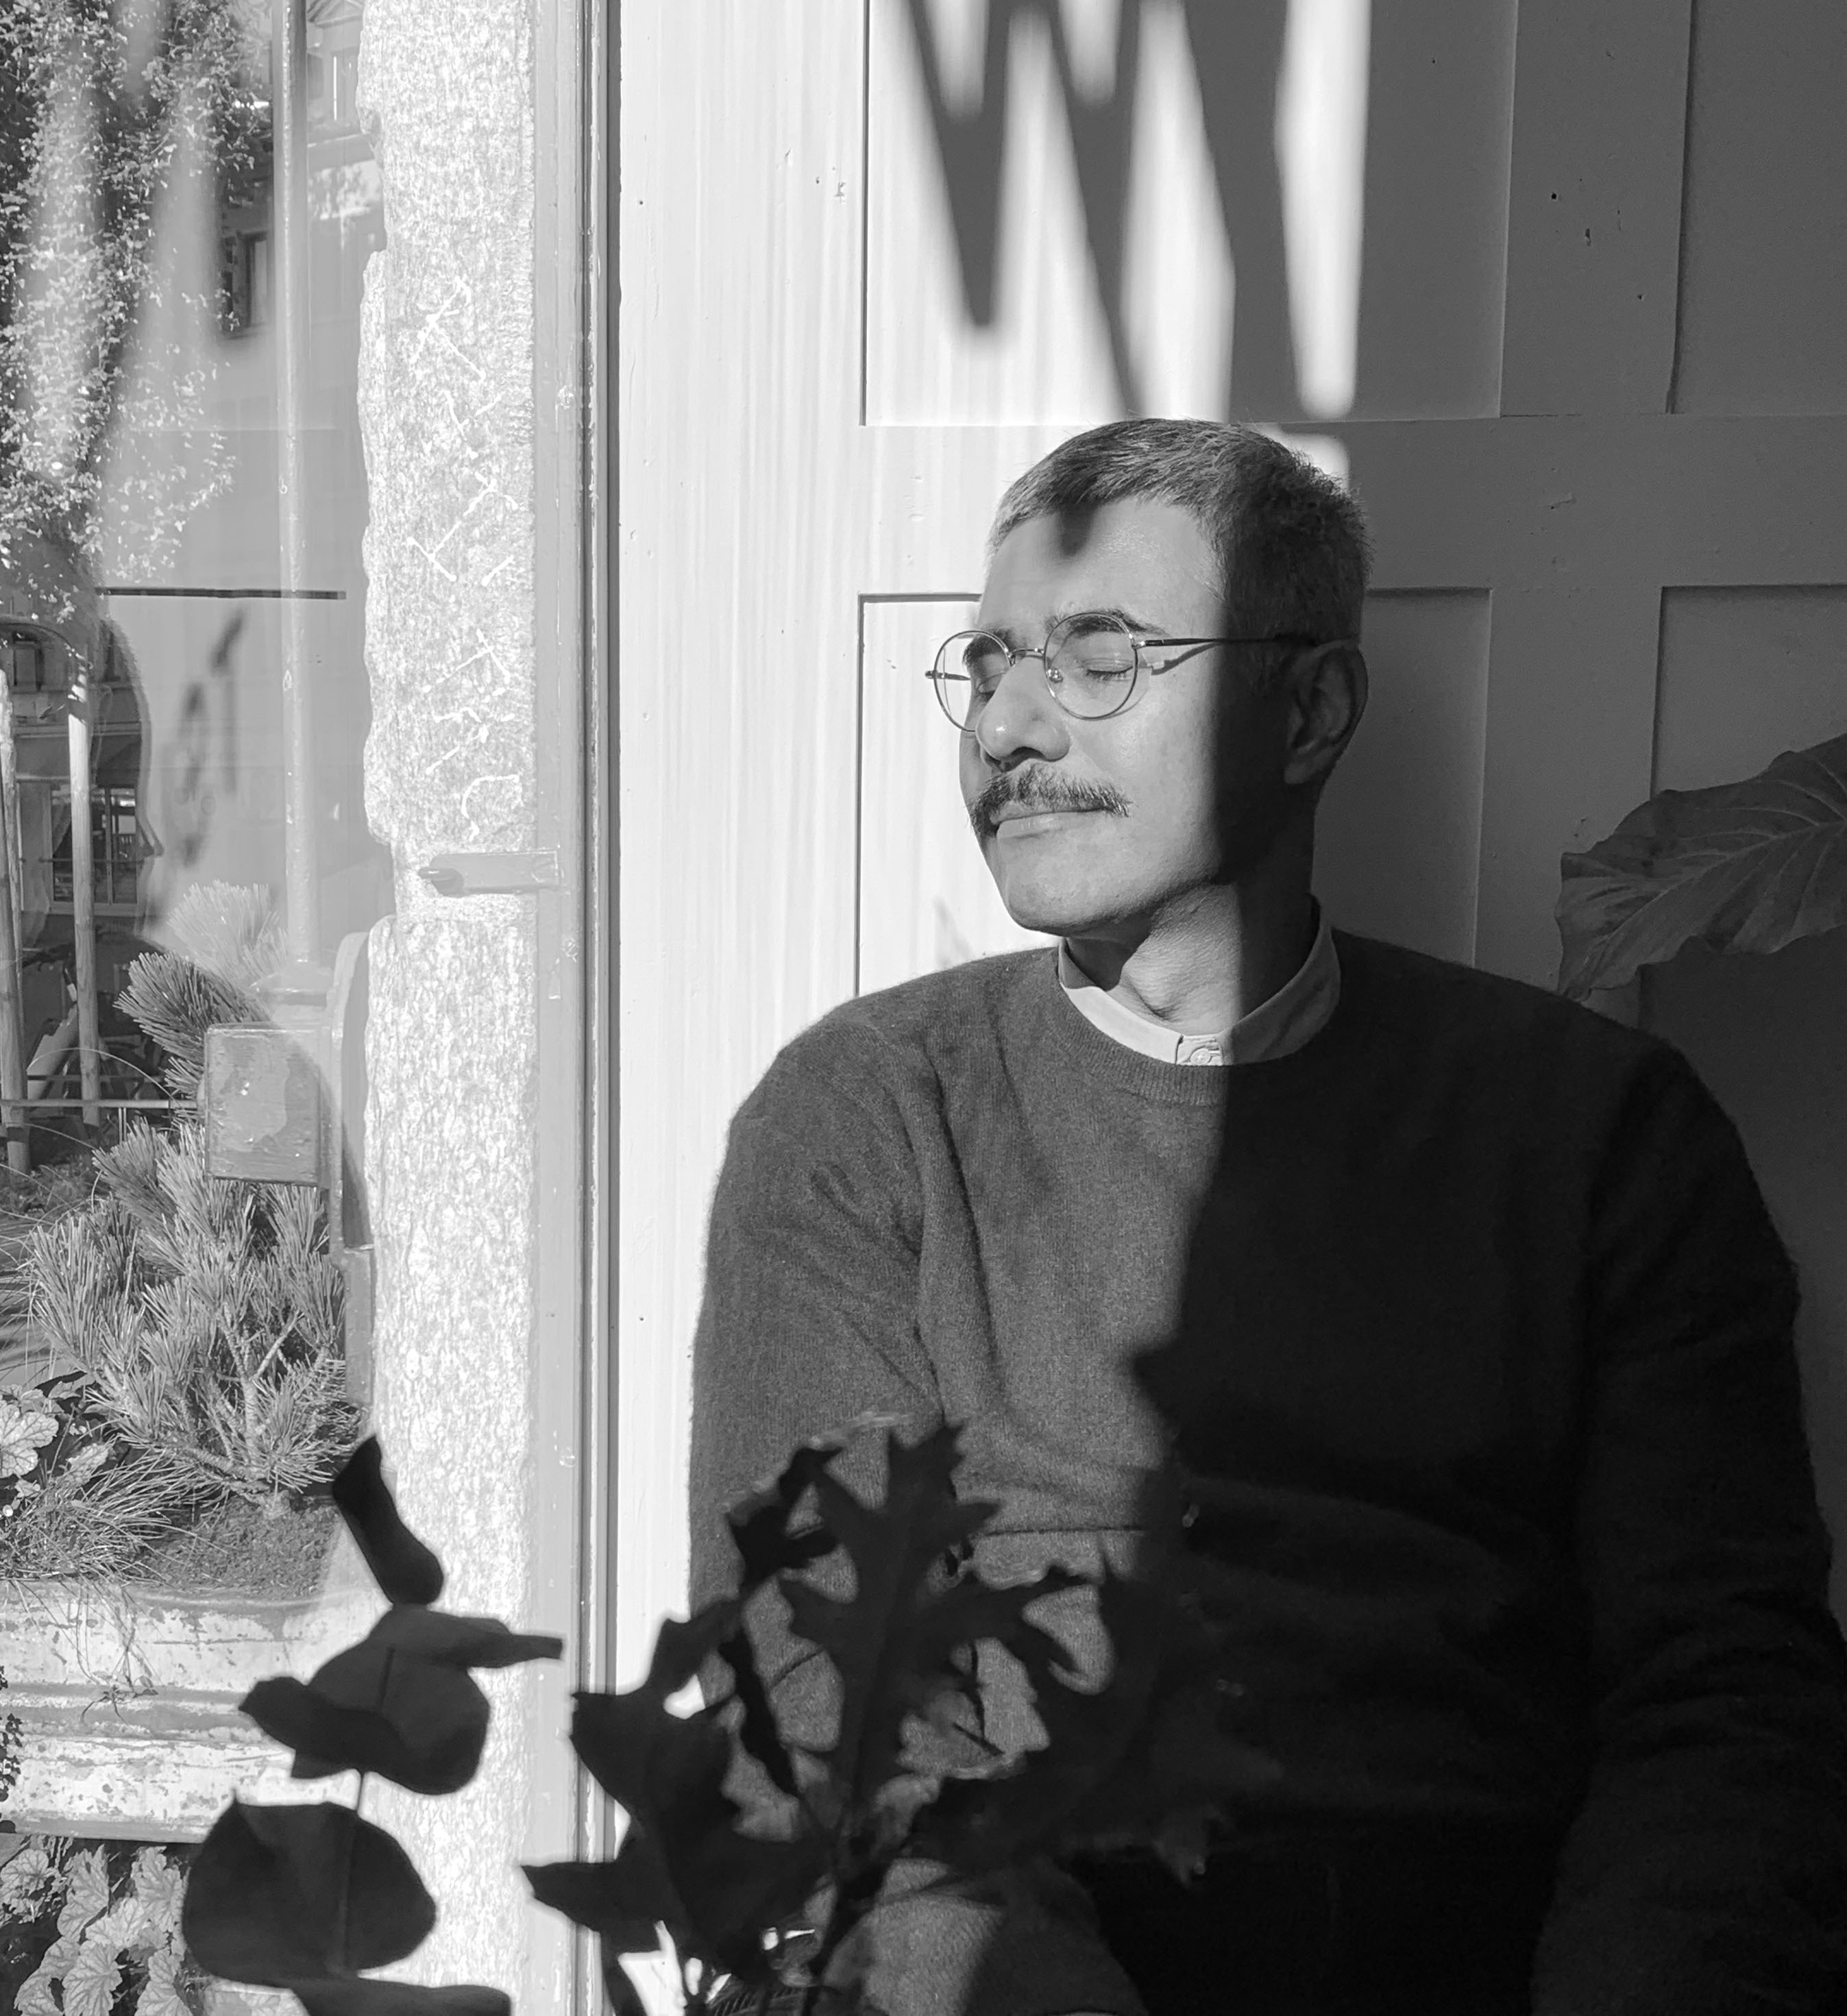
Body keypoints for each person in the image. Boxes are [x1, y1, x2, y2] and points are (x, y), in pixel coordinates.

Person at [688, 419, 1847, 2015]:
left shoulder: (1600, 1135)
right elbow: (822, 1681)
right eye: (992, 659)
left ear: (1309, 710)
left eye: (1101, 655)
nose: (1010, 727)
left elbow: (1724, 1697)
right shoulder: (870, 1116)